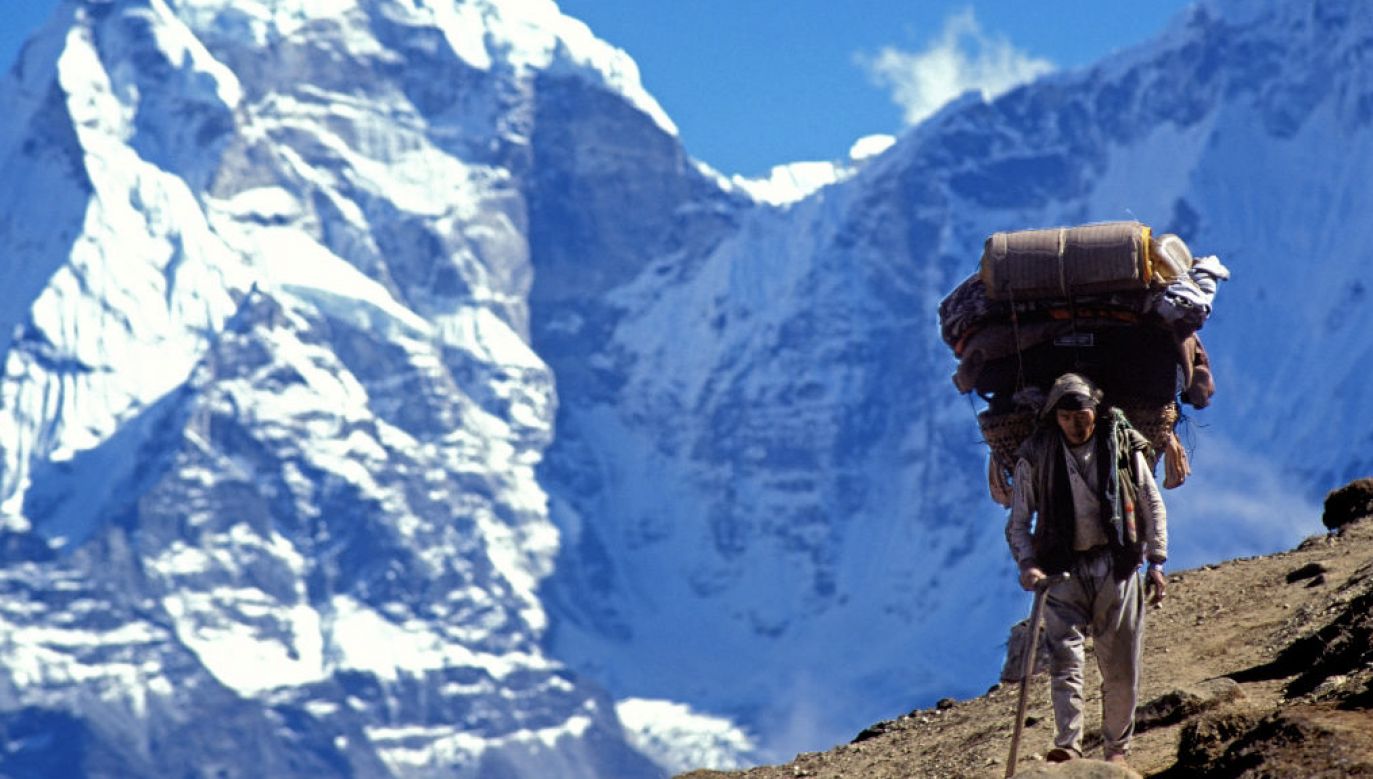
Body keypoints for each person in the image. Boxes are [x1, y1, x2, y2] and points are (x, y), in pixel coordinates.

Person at [1004, 372, 1168, 766]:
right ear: (1054, 418)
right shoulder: (1038, 455)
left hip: (1118, 565)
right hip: (1061, 570)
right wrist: (1027, 564)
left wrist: (1157, 560)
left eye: (1083, 414)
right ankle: (1069, 746)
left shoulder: (1121, 446)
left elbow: (1150, 501)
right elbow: (1018, 521)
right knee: (1064, 662)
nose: (1076, 424)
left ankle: (1117, 751)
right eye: (1066, 416)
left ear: (1096, 412)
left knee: (1121, 667)